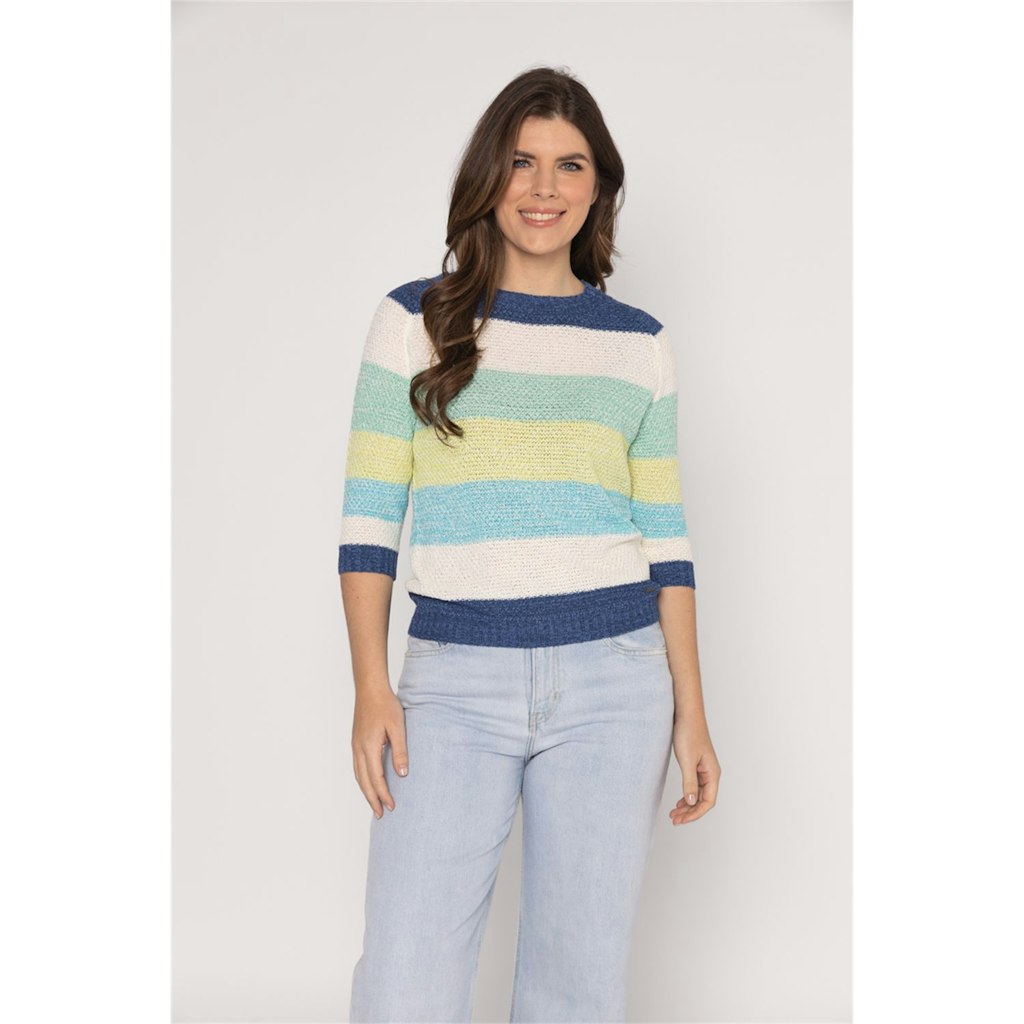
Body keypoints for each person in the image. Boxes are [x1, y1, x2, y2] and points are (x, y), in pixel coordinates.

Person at [337, 65, 721, 1024]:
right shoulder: (414, 320)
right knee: (403, 985)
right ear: (488, 176)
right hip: (452, 686)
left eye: (569, 165)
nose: (544, 187)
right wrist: (372, 687)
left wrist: (693, 713)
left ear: (599, 188)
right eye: (521, 161)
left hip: (615, 686)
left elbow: (667, 542)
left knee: (576, 989)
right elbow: (368, 523)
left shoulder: (638, 345)